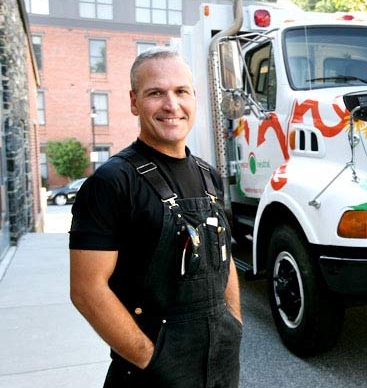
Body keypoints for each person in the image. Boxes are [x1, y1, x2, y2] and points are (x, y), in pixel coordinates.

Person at [69, 47, 242, 387]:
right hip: (151, 372)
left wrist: (234, 321)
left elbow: (224, 258)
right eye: (155, 93)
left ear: (194, 98)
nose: (171, 105)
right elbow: (86, 290)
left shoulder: (209, 176)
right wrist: (151, 358)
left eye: (181, 92)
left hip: (222, 363)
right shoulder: (112, 182)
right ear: (134, 102)